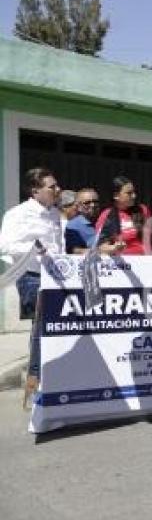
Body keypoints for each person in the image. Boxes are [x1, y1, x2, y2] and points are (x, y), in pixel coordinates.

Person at [0, 167, 63, 402]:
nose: (58, 190)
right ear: (35, 190)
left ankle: (47, 377)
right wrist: (35, 250)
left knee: (49, 327)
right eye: (52, 187)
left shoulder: (55, 214)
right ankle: (35, 381)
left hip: (55, 276)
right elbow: (6, 246)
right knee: (41, 326)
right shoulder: (17, 214)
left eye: (57, 185)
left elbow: (58, 246)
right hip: (31, 276)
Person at [96, 175, 151, 255]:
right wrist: (114, 248)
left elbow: (151, 239)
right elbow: (101, 246)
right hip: (121, 263)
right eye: (129, 193)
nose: (134, 196)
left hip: (144, 260)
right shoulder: (107, 215)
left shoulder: (142, 210)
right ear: (116, 196)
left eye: (134, 192)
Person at [65, 188, 100, 253]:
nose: (93, 205)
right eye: (87, 203)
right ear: (78, 207)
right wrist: (100, 252)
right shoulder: (73, 226)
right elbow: (74, 250)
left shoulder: (105, 221)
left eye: (95, 202)